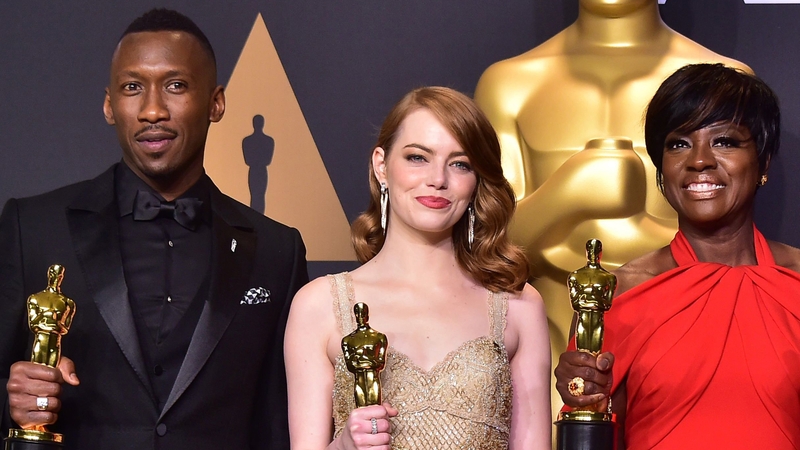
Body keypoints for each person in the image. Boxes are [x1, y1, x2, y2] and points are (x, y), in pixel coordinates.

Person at [0, 8, 308, 450]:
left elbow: (280, 422)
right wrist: (12, 397)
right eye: (132, 88)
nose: (152, 110)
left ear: (216, 103)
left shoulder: (278, 250)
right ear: (109, 105)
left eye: (176, 85)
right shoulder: (32, 227)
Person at [474, 1, 750, 419]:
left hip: (688, 348)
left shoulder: (724, 83)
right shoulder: (509, 84)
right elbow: (489, 253)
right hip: (549, 351)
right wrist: (567, 195)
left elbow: (727, 241)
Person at [284, 86, 552, 450]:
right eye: (417, 158)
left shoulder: (518, 305)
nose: (438, 179)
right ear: (382, 165)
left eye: (460, 164)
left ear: (476, 182)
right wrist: (345, 445)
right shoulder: (319, 306)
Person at [554, 63, 800, 450]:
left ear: (764, 162)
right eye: (679, 143)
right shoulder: (620, 294)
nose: (699, 160)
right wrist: (584, 398)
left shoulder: (795, 285)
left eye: (725, 142)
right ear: (661, 167)